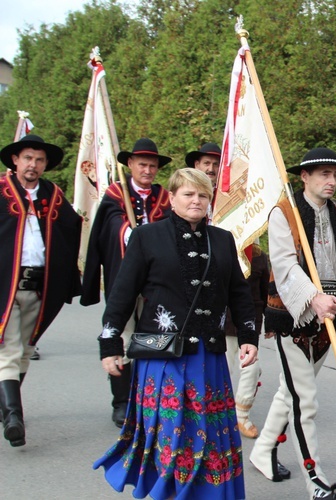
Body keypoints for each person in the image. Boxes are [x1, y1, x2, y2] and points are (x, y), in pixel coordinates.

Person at [93, 168, 258, 499]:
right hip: (162, 357)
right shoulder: (147, 236)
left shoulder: (223, 239)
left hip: (208, 357)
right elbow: (122, 294)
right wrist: (110, 343)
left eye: (203, 195)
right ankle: (169, 493)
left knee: (209, 434)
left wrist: (248, 337)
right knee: (171, 433)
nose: (196, 201)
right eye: (188, 194)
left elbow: (239, 293)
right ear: (171, 198)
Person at [250, 147, 336, 500]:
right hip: (293, 317)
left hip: (329, 319)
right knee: (305, 399)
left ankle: (262, 450)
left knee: (291, 391)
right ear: (304, 177)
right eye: (323, 174)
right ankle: (315, 479)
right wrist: (312, 297)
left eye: (335, 175)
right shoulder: (283, 213)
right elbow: (284, 264)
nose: (331, 182)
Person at [81, 137, 172, 428]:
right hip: (123, 277)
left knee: (155, 335)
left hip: (156, 281)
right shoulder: (114, 195)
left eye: (152, 166)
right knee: (122, 336)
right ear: (130, 164)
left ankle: (149, 397)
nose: (147, 170)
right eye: (142, 164)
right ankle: (121, 402)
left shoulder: (164, 197)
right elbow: (106, 229)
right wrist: (126, 231)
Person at [0, 135, 82, 447]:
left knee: (24, 349)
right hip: (5, 284)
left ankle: (6, 405)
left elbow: (70, 231)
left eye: (39, 160)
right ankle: (13, 417)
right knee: (7, 349)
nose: (33, 165)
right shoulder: (1, 190)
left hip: (39, 286)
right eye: (27, 158)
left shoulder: (53, 195)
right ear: (15, 161)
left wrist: (70, 278)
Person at [225, 241, 270, 440]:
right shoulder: (220, 248)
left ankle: (241, 415)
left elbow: (265, 292)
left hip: (250, 322)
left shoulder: (260, 256)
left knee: (252, 369)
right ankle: (213, 411)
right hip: (224, 321)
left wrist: (270, 322)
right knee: (222, 368)